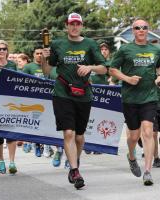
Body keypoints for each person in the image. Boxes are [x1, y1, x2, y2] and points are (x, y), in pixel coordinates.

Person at [42, 12, 106, 189]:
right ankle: (75, 171)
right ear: (66, 25)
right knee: (68, 133)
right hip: (62, 93)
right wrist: (44, 57)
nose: (75, 27)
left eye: (78, 24)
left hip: (84, 94)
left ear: (82, 26)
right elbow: (47, 70)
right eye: (72, 24)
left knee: (79, 136)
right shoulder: (57, 44)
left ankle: (74, 161)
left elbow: (103, 68)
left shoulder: (90, 44)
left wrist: (89, 67)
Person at [109, 19, 160, 186]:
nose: (141, 30)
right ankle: (131, 156)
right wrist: (127, 79)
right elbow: (112, 69)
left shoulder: (156, 49)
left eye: (144, 28)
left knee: (148, 130)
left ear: (148, 30)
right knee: (133, 136)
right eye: (138, 28)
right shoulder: (125, 49)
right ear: (133, 31)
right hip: (130, 98)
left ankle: (147, 172)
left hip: (149, 97)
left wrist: (158, 77)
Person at [0, 40, 18, 174]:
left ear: (7, 51)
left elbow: (18, 81)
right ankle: (1, 160)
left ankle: (12, 161)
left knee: (12, 132)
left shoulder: (13, 65)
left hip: (11, 102)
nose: (2, 51)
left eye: (4, 49)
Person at [23, 46, 53, 158]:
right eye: (37, 53)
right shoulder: (28, 67)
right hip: (34, 100)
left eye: (41, 53)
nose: (40, 55)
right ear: (33, 55)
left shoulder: (49, 66)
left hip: (47, 99)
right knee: (36, 123)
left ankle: (46, 146)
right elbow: (24, 81)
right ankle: (36, 144)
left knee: (47, 122)